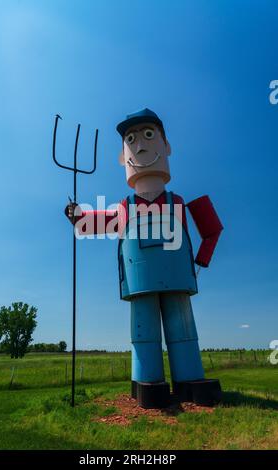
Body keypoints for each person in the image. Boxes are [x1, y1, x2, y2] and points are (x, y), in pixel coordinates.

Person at [66, 108, 223, 408]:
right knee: (143, 333)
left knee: (183, 332)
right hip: (140, 282)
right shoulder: (124, 208)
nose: (140, 146)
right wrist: (78, 216)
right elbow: (93, 223)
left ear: (166, 147)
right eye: (131, 139)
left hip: (176, 279)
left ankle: (189, 380)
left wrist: (203, 259)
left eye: (149, 135)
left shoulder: (176, 202)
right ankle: (148, 382)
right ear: (123, 157)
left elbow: (212, 228)